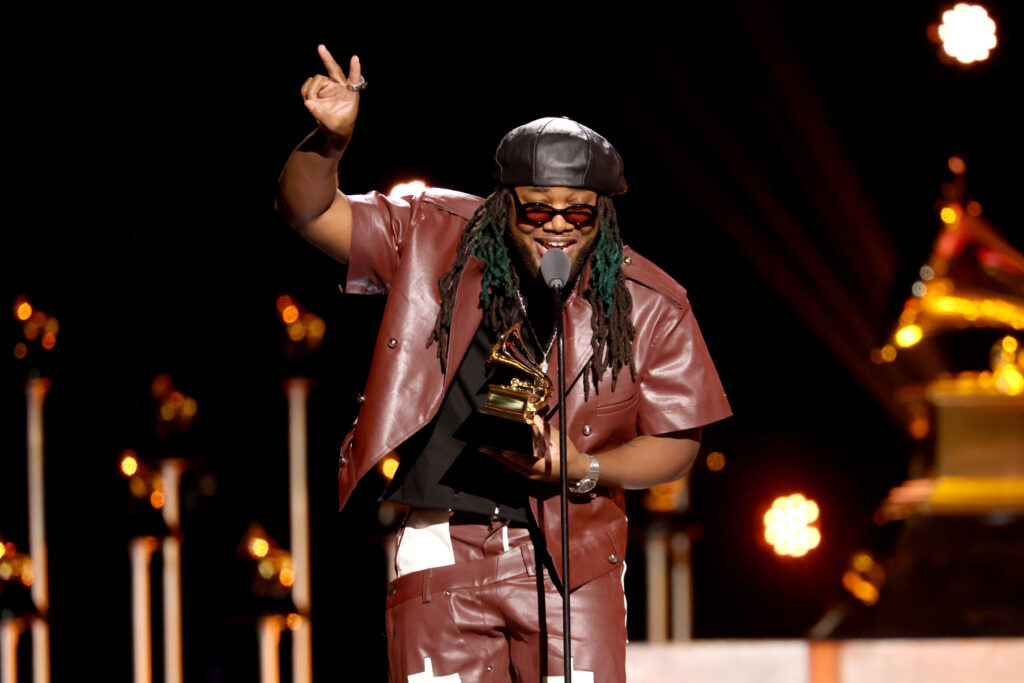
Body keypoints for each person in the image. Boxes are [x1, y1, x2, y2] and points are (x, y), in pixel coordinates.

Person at [277, 45, 731, 683]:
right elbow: (309, 211)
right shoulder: (433, 235)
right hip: (442, 544)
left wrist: (581, 466)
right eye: (537, 209)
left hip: (573, 556)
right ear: (502, 202)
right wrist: (329, 142)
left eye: (578, 213)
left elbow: (678, 442)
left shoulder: (651, 303)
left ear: (602, 213)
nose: (557, 228)